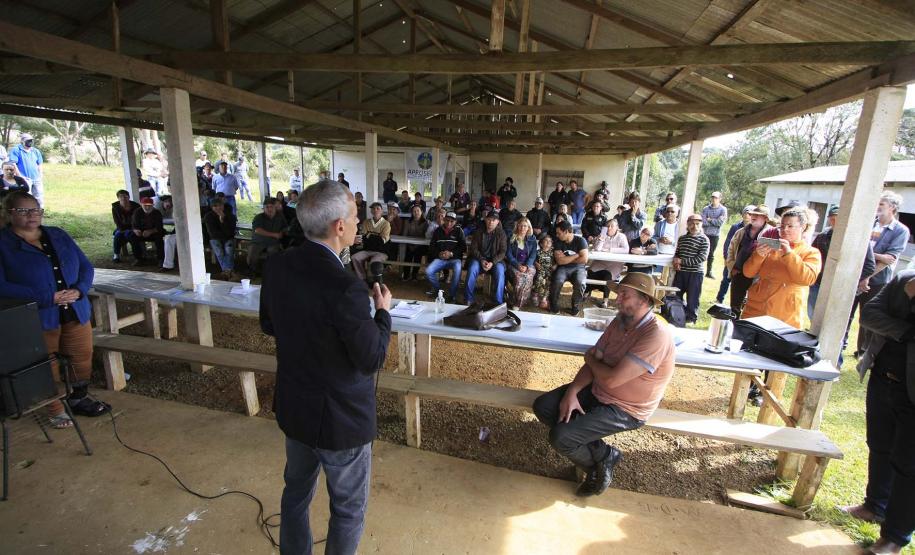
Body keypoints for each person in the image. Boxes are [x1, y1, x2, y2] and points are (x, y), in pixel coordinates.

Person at [259, 179, 391, 555]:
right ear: (339, 226)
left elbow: (269, 324)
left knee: (296, 494)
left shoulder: (279, 265)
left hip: (296, 408)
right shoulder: (345, 287)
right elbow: (371, 358)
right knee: (347, 509)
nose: (358, 222)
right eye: (354, 216)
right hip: (340, 420)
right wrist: (382, 314)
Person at [532, 272, 675, 497]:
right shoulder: (619, 322)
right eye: (619, 294)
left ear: (644, 301)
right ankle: (602, 453)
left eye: (624, 295)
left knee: (561, 437)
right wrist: (573, 392)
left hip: (626, 409)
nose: (617, 299)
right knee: (544, 406)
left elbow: (609, 376)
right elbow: (596, 361)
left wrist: (590, 359)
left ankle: (599, 462)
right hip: (598, 391)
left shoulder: (656, 335)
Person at [0, 191, 111, 428]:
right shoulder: (4, 244)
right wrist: (46, 297)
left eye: (35, 209)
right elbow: (2, 285)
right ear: (9, 214)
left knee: (81, 355)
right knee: (44, 361)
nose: (31, 215)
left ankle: (78, 397)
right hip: (35, 314)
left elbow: (85, 266)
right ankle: (54, 407)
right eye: (23, 210)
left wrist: (80, 290)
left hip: (74, 307)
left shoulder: (57, 235)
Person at [843, 270, 915, 555]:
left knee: (908, 465)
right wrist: (907, 332)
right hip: (884, 378)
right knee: (880, 445)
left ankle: (894, 538)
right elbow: (869, 313)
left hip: (912, 394)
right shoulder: (903, 279)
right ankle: (874, 505)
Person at [741, 207, 821, 329]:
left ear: (803, 227)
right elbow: (747, 273)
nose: (785, 230)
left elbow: (806, 279)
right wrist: (758, 255)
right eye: (782, 226)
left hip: (785, 316)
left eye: (790, 226)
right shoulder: (770, 246)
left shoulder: (811, 252)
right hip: (756, 310)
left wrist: (789, 254)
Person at [852, 191, 911, 355]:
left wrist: (867, 272)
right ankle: (840, 346)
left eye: (881, 204)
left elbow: (889, 259)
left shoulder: (900, 230)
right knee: (846, 313)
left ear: (892, 207)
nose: (876, 207)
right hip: (854, 276)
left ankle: (863, 351)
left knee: (868, 316)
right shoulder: (869, 224)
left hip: (876, 281)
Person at [809, 205, 876, 324]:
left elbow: (869, 266)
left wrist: (847, 281)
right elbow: (812, 257)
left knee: (833, 323)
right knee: (814, 319)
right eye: (832, 219)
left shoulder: (859, 239)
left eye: (838, 218)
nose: (835, 222)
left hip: (840, 289)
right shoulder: (822, 236)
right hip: (818, 285)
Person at [725, 204, 773, 318]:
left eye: (758, 215)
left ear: (766, 218)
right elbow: (731, 250)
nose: (753, 216)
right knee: (735, 306)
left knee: (751, 306)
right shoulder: (741, 231)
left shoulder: (770, 234)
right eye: (752, 214)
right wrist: (732, 267)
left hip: (757, 277)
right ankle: (734, 325)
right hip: (738, 273)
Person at [672, 214, 710, 325]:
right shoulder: (682, 239)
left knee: (693, 297)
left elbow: (702, 257)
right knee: (677, 294)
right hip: (681, 272)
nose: (694, 226)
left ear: (701, 225)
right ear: (687, 225)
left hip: (695, 273)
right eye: (692, 224)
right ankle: (677, 314)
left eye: (697, 224)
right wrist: (676, 261)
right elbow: (678, 253)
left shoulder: (704, 239)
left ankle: (691, 318)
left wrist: (682, 261)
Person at [465, 212, 508, 305]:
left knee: (500, 271)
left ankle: (498, 302)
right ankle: (468, 298)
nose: (491, 222)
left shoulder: (502, 233)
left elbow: (503, 251)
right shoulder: (478, 232)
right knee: (472, 267)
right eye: (489, 219)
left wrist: (492, 262)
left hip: (495, 261)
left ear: (498, 222)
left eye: (494, 220)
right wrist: (482, 260)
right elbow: (474, 249)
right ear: (485, 220)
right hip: (479, 259)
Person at [587, 218, 629, 308]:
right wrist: (601, 239)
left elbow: (626, 249)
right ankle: (587, 291)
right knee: (590, 272)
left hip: (615, 263)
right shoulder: (602, 235)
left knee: (607, 275)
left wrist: (610, 250)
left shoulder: (621, 236)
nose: (609, 228)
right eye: (608, 226)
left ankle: (605, 300)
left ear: (616, 227)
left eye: (612, 226)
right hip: (601, 261)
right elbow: (597, 249)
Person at [550, 220, 589, 315]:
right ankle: (554, 306)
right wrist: (576, 255)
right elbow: (560, 261)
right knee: (557, 281)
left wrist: (566, 258)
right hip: (563, 267)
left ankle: (575, 307)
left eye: (559, 233)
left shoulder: (581, 240)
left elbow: (584, 259)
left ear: (566, 232)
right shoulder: (557, 241)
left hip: (579, 268)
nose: (557, 235)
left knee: (580, 283)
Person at [425, 212, 465, 301]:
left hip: (454, 259)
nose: (449, 223)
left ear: (455, 222)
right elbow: (432, 247)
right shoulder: (438, 230)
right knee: (428, 271)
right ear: (444, 220)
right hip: (440, 259)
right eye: (447, 220)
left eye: (452, 221)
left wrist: (451, 253)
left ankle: (452, 295)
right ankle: (438, 290)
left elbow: (463, 247)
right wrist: (439, 254)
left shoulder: (459, 231)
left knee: (458, 270)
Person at [716, 206, 752, 304]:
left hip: (743, 263)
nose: (746, 215)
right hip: (731, 259)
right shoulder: (735, 227)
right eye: (745, 213)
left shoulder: (754, 231)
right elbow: (728, 242)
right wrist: (726, 257)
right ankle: (719, 299)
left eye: (749, 214)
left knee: (739, 285)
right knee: (725, 280)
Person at [351, 202, 391, 282]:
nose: (375, 210)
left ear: (382, 211)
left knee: (374, 263)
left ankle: (377, 282)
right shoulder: (366, 222)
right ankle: (362, 278)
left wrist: (369, 235)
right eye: (373, 209)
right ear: (371, 211)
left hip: (381, 251)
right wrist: (375, 236)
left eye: (378, 208)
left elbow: (382, 241)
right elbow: (363, 237)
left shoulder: (386, 224)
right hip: (367, 250)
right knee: (355, 258)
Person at [248, 198, 287, 275]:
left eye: (271, 206)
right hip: (258, 242)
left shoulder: (280, 216)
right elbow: (257, 230)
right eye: (267, 207)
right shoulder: (259, 217)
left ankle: (272, 273)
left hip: (273, 242)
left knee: (274, 254)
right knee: (252, 255)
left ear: (275, 207)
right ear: (263, 208)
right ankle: (254, 273)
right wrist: (274, 234)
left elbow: (285, 227)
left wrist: (282, 232)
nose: (269, 209)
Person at [506, 218, 538, 310]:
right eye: (521, 225)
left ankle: (517, 302)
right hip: (515, 264)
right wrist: (517, 265)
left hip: (528, 264)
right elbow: (508, 254)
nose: (522, 228)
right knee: (519, 278)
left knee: (528, 277)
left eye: (525, 226)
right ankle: (520, 301)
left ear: (528, 227)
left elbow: (533, 255)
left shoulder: (532, 239)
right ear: (517, 226)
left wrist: (527, 265)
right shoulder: (512, 237)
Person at [203, 197, 237, 279]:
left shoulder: (230, 216)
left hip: (228, 238)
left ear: (223, 206)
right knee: (219, 252)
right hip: (215, 239)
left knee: (229, 251)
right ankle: (228, 271)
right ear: (212, 207)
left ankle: (226, 272)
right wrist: (224, 233)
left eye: (220, 205)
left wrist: (222, 221)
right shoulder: (208, 217)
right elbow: (213, 233)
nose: (218, 208)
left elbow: (230, 232)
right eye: (215, 206)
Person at [9, 133, 43, 206]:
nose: (30, 142)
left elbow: (39, 163)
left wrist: (40, 175)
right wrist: (20, 176)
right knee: (26, 197)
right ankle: (27, 212)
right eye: (28, 140)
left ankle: (39, 212)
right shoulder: (16, 150)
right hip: (25, 178)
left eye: (31, 140)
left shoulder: (35, 151)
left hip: (36, 178)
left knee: (39, 196)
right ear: (22, 141)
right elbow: (13, 164)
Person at [700, 192, 727, 279]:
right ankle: (699, 269)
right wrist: (713, 221)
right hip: (705, 234)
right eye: (712, 197)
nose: (714, 199)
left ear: (720, 199)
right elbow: (703, 222)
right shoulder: (705, 209)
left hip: (715, 235)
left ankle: (709, 272)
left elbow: (720, 222)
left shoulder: (723, 210)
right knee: (701, 252)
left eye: (716, 198)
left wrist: (710, 220)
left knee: (711, 254)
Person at [131, 197, 165, 266]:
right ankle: (139, 258)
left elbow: (159, 227)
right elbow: (134, 225)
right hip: (142, 233)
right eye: (145, 205)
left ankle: (160, 259)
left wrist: (151, 231)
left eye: (149, 205)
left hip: (154, 232)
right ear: (141, 205)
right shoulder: (137, 212)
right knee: (133, 237)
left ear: (153, 205)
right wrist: (136, 231)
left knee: (159, 238)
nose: (147, 207)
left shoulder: (157, 213)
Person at [111, 189, 141, 263]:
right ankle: (116, 254)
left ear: (129, 197)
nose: (124, 199)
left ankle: (138, 256)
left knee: (130, 235)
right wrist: (122, 229)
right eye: (121, 197)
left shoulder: (136, 206)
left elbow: (139, 220)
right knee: (118, 234)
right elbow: (116, 221)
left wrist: (134, 228)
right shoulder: (115, 207)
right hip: (122, 227)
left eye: (125, 196)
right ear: (118, 198)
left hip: (134, 227)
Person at [401, 205, 429, 281]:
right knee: (408, 256)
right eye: (414, 211)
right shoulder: (407, 222)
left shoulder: (426, 222)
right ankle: (406, 275)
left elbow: (426, 236)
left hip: (420, 245)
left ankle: (414, 275)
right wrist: (409, 244)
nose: (416, 212)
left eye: (418, 211)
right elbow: (404, 235)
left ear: (421, 212)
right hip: (409, 244)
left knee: (417, 256)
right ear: (412, 213)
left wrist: (417, 245)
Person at [532, 234, 555, 310]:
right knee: (539, 279)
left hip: (549, 270)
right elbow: (533, 260)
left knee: (549, 282)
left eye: (550, 241)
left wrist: (555, 265)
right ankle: (535, 293)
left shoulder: (552, 252)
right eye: (546, 241)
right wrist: (536, 263)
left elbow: (556, 261)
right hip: (540, 270)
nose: (548, 242)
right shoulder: (538, 252)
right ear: (541, 244)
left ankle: (544, 298)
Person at [158, 196, 180, 271]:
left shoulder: (176, 209)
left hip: (188, 233)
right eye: (166, 201)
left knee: (168, 237)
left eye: (170, 201)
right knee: (168, 239)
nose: (169, 203)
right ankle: (168, 265)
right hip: (173, 233)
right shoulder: (159, 209)